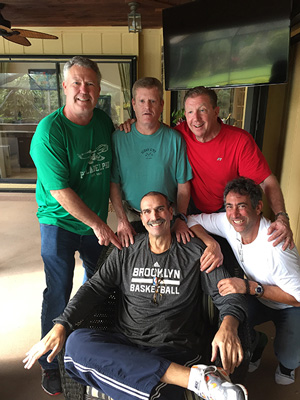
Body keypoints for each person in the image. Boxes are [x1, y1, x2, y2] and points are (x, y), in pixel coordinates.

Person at [24, 192, 248, 400]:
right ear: (141, 218)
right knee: (75, 344)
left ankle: (165, 379)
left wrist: (229, 324)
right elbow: (94, 288)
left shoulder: (195, 251)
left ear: (171, 212)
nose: (154, 216)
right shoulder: (127, 250)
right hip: (126, 343)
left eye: (160, 209)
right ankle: (196, 378)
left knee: (148, 387)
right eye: (147, 212)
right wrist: (62, 324)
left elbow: (228, 292)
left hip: (173, 348)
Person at [30, 56, 122, 395]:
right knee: (58, 289)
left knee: (99, 283)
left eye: (91, 84)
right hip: (59, 225)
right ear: (65, 87)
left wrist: (115, 218)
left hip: (94, 223)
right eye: (77, 83)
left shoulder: (102, 122)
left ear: (98, 89)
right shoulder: (49, 132)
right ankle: (49, 364)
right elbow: (60, 191)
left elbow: (112, 172)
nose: (84, 90)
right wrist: (100, 224)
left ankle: (90, 342)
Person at [187, 177, 300, 385]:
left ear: (258, 207)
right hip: (258, 295)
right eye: (229, 206)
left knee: (290, 356)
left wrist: (249, 287)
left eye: (241, 206)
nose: (234, 214)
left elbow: (297, 298)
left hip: (288, 304)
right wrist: (212, 244)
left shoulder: (277, 247)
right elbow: (191, 220)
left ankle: (287, 365)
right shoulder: (228, 222)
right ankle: (257, 342)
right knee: (228, 319)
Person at [176, 86, 293, 251]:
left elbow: (266, 180)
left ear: (216, 111)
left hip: (228, 210)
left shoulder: (239, 140)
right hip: (193, 210)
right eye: (189, 112)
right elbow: (152, 133)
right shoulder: (179, 134)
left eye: (202, 110)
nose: (196, 118)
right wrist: (130, 126)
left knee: (234, 260)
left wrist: (281, 216)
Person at [110, 77, 194, 247]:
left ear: (161, 105)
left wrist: (180, 218)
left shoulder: (175, 139)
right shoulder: (118, 139)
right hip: (132, 216)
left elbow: (183, 185)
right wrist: (121, 220)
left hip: (166, 217)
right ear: (133, 104)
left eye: (152, 101)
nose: (147, 107)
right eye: (141, 101)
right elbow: (114, 183)